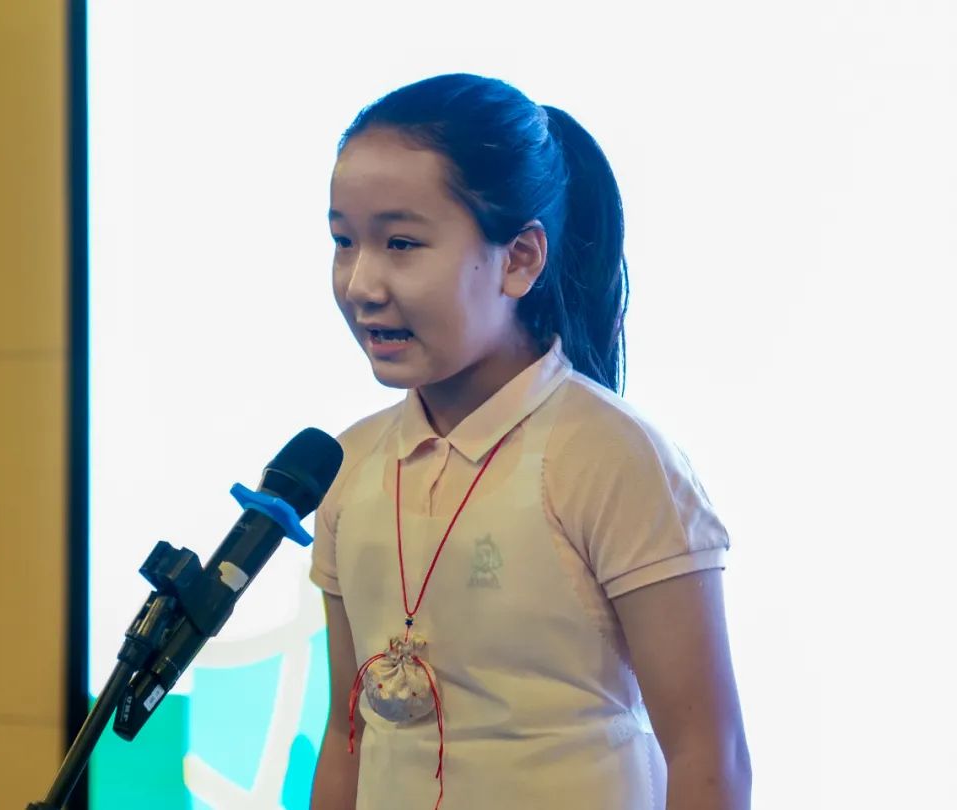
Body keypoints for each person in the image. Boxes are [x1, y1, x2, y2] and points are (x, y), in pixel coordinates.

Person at [308, 73, 751, 810]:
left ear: (519, 259)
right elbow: (346, 737)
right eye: (343, 242)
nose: (361, 284)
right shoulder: (347, 466)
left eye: (401, 243)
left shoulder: (609, 456)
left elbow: (711, 753)